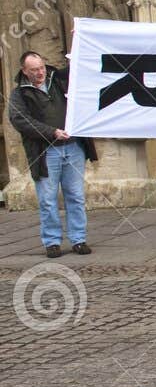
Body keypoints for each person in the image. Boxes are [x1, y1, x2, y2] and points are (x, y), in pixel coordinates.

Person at [8, 51, 98, 257]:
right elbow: (20, 120)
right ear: (24, 71)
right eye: (34, 70)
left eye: (41, 67)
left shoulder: (58, 80)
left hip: (74, 148)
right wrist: (52, 132)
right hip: (46, 152)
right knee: (47, 199)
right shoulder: (19, 93)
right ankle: (52, 242)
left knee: (75, 196)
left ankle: (79, 239)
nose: (40, 73)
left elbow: (79, 71)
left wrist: (80, 42)